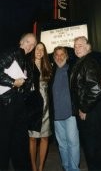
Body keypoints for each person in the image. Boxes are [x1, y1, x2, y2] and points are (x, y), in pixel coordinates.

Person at [0, 33, 37, 171]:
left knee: (20, 144)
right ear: (21, 41)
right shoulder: (12, 52)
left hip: (18, 104)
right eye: (27, 42)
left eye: (32, 44)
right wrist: (13, 82)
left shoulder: (26, 60)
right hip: (6, 103)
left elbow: (26, 86)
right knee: (4, 143)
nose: (30, 46)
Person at [70, 36, 101, 171]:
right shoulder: (82, 62)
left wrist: (84, 109)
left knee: (94, 149)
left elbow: (96, 88)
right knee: (91, 149)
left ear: (88, 47)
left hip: (91, 112)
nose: (77, 48)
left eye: (80, 45)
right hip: (89, 110)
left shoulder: (89, 62)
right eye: (75, 46)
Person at [50, 46, 80, 171]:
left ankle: (74, 169)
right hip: (56, 115)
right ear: (54, 57)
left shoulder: (72, 69)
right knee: (62, 145)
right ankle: (67, 167)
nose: (59, 57)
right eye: (56, 55)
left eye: (62, 54)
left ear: (67, 56)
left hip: (70, 114)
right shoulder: (51, 73)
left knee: (73, 143)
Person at [28, 42, 52, 171]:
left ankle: (41, 166)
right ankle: (33, 166)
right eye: (37, 48)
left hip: (46, 106)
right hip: (33, 106)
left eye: (42, 50)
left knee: (44, 137)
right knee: (32, 137)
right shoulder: (27, 64)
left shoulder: (47, 66)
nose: (39, 51)